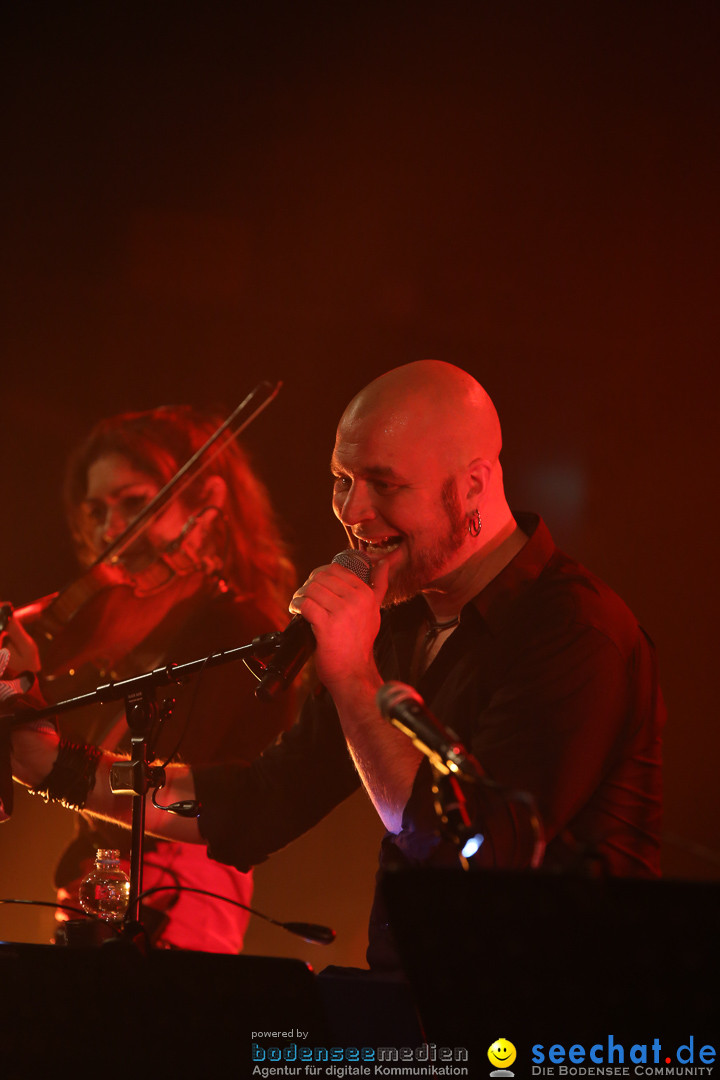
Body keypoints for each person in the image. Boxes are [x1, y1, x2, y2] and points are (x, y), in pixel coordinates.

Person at [5, 362, 664, 969]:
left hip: (558, 1021)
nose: (352, 514)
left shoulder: (575, 632)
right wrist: (54, 764)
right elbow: (259, 803)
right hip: (419, 1006)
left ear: (473, 485)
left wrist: (351, 677)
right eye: (343, 482)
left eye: (385, 485)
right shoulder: (398, 622)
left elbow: (476, 858)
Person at [0, 405, 296, 952]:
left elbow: (167, 781)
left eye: (136, 503)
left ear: (205, 505)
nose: (113, 531)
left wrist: (50, 747)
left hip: (176, 925)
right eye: (96, 513)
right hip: (99, 911)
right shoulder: (121, 650)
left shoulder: (237, 635)